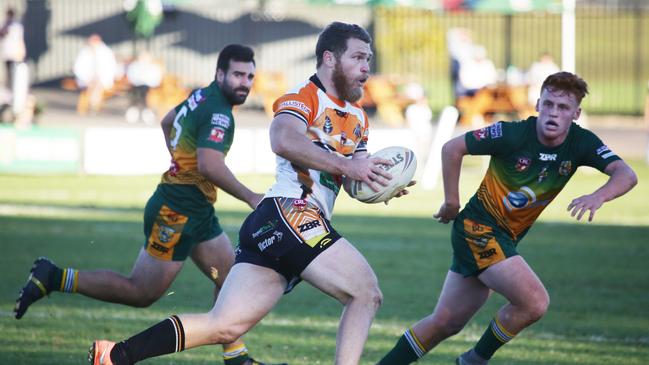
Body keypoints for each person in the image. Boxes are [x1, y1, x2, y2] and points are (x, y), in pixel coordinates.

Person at [85, 21, 411, 365]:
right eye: (358, 58)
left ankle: (115, 355)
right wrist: (347, 166)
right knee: (365, 293)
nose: (366, 68)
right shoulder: (304, 97)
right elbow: (282, 139)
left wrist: (381, 181)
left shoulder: (359, 117)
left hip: (275, 224)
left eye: (369, 60)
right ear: (329, 59)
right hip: (292, 213)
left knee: (223, 326)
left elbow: (352, 174)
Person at [15, 44, 282, 365]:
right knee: (141, 291)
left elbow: (168, 121)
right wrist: (252, 197)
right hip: (177, 211)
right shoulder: (219, 112)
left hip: (196, 210)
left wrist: (181, 161)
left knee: (228, 276)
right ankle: (55, 276)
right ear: (220, 73)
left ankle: (236, 357)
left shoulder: (202, 96)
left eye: (250, 76)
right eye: (238, 74)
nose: (245, 82)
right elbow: (211, 166)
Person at [376, 72, 637, 365]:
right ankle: (474, 360)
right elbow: (453, 148)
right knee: (534, 302)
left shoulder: (581, 142)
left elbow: (626, 174)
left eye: (563, 108)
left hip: (502, 238)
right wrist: (451, 201)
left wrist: (598, 196)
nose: (553, 112)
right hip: (478, 230)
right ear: (537, 104)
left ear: (576, 113)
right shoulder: (512, 134)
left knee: (445, 323)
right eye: (548, 104)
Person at [73, 34, 117, 115]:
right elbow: (78, 68)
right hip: (86, 79)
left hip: (101, 79)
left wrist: (101, 78)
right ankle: (93, 105)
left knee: (97, 86)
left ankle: (93, 105)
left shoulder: (106, 52)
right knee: (91, 86)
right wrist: (86, 79)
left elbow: (110, 68)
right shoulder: (84, 52)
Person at [0, 7, 25, 90]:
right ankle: (8, 87)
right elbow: (2, 35)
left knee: (16, 71)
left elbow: (20, 40)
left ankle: (16, 87)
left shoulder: (17, 26)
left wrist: (22, 51)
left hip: (15, 53)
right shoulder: (3, 25)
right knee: (8, 72)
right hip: (6, 52)